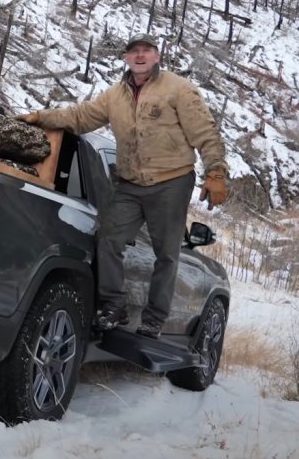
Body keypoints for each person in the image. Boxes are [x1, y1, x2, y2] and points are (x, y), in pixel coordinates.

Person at [17, 33, 228, 339]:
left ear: (157, 56)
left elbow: (206, 133)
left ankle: (154, 320)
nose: (140, 55)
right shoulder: (115, 96)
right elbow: (80, 116)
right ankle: (115, 305)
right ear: (126, 59)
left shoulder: (179, 89)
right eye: (134, 52)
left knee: (167, 254)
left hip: (171, 181)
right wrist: (41, 117)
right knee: (108, 238)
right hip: (130, 184)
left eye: (146, 50)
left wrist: (216, 172)